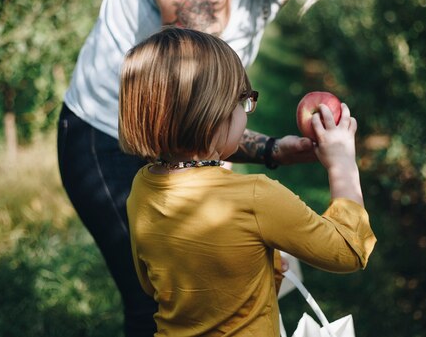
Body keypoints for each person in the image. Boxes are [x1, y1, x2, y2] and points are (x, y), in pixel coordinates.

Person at [57, 0, 350, 335]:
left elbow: (207, 126)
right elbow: (194, 116)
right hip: (108, 137)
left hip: (182, 145)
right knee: (162, 299)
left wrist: (272, 150)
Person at [119, 27, 376, 336]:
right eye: (242, 102)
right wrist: (342, 162)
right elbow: (349, 249)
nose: (247, 113)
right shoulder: (256, 197)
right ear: (212, 115)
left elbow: (152, 284)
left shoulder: (142, 188)